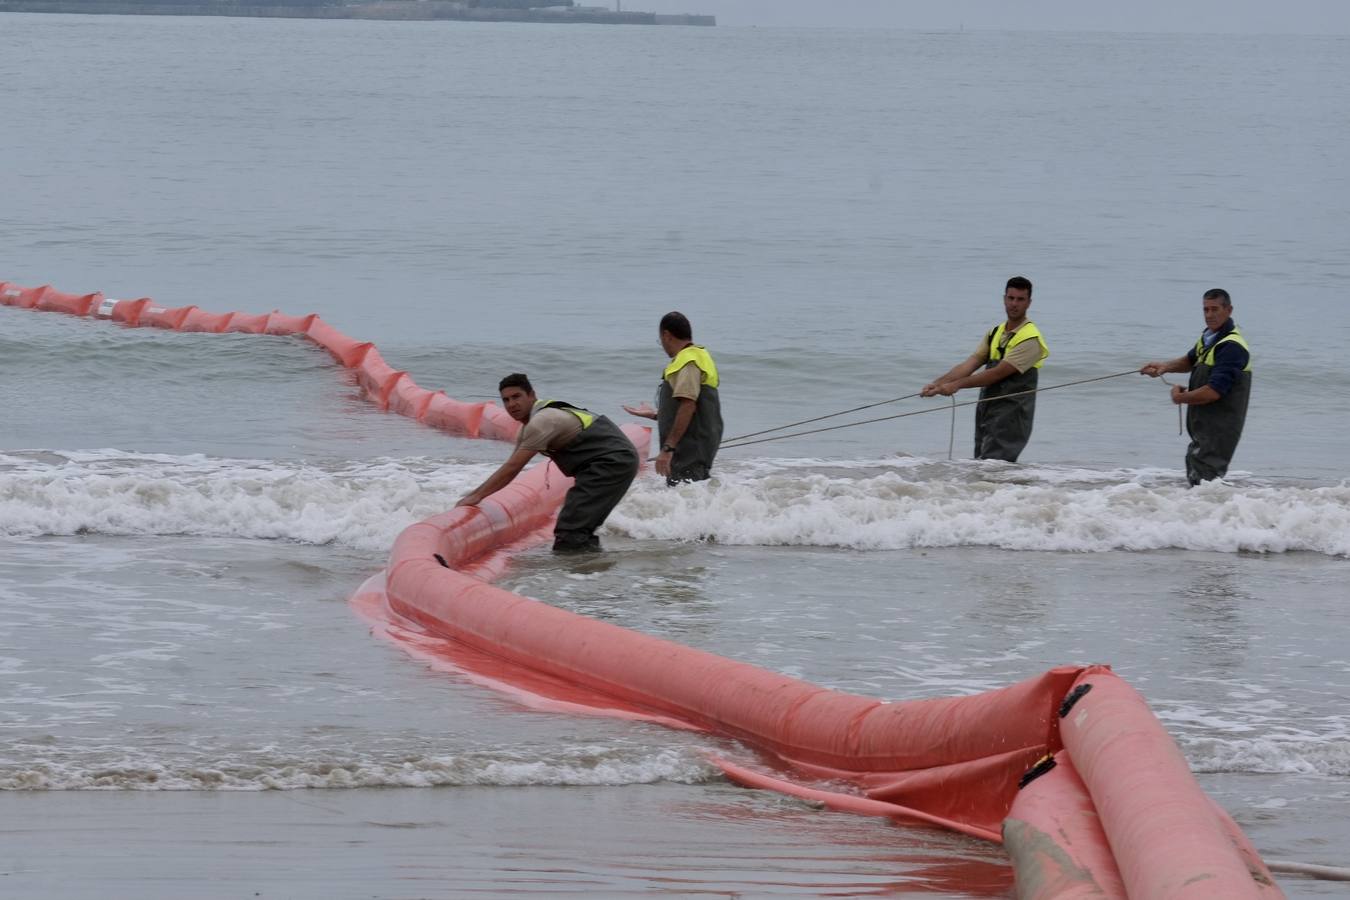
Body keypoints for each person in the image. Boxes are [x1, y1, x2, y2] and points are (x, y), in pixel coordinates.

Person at [456, 374, 639, 552]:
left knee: (571, 529)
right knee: (575, 525)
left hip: (612, 462)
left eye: (516, 397)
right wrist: (477, 494)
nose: (512, 404)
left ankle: (583, 573)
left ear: (532, 395)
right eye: (506, 400)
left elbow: (513, 468)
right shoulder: (529, 427)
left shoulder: (541, 422)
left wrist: (475, 497)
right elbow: (510, 465)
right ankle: (589, 566)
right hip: (601, 464)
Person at [919, 276, 1049, 462]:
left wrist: (956, 386)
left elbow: (995, 374)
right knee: (982, 466)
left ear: (1029, 303)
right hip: (987, 410)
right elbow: (970, 364)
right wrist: (938, 384)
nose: (1014, 304)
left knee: (995, 467)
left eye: (1020, 299)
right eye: (1011, 298)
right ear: (1004, 299)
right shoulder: (995, 332)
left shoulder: (1031, 339)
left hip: (1012, 415)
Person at [1139, 288, 1252, 485]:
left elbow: (1213, 392)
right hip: (1203, 429)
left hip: (1219, 430)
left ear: (1229, 310)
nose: (1209, 315)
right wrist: (1164, 367)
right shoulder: (1209, 338)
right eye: (1205, 310)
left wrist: (1180, 398)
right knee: (1198, 482)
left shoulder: (1232, 347)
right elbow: (1191, 360)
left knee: (1205, 483)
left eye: (1214, 309)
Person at [623, 311, 723, 485]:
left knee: (685, 493)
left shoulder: (688, 362)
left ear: (666, 335)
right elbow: (697, 409)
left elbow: (688, 405)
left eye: (660, 340)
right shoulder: (699, 356)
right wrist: (656, 415)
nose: (662, 344)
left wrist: (668, 449)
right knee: (691, 494)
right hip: (698, 444)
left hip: (688, 448)